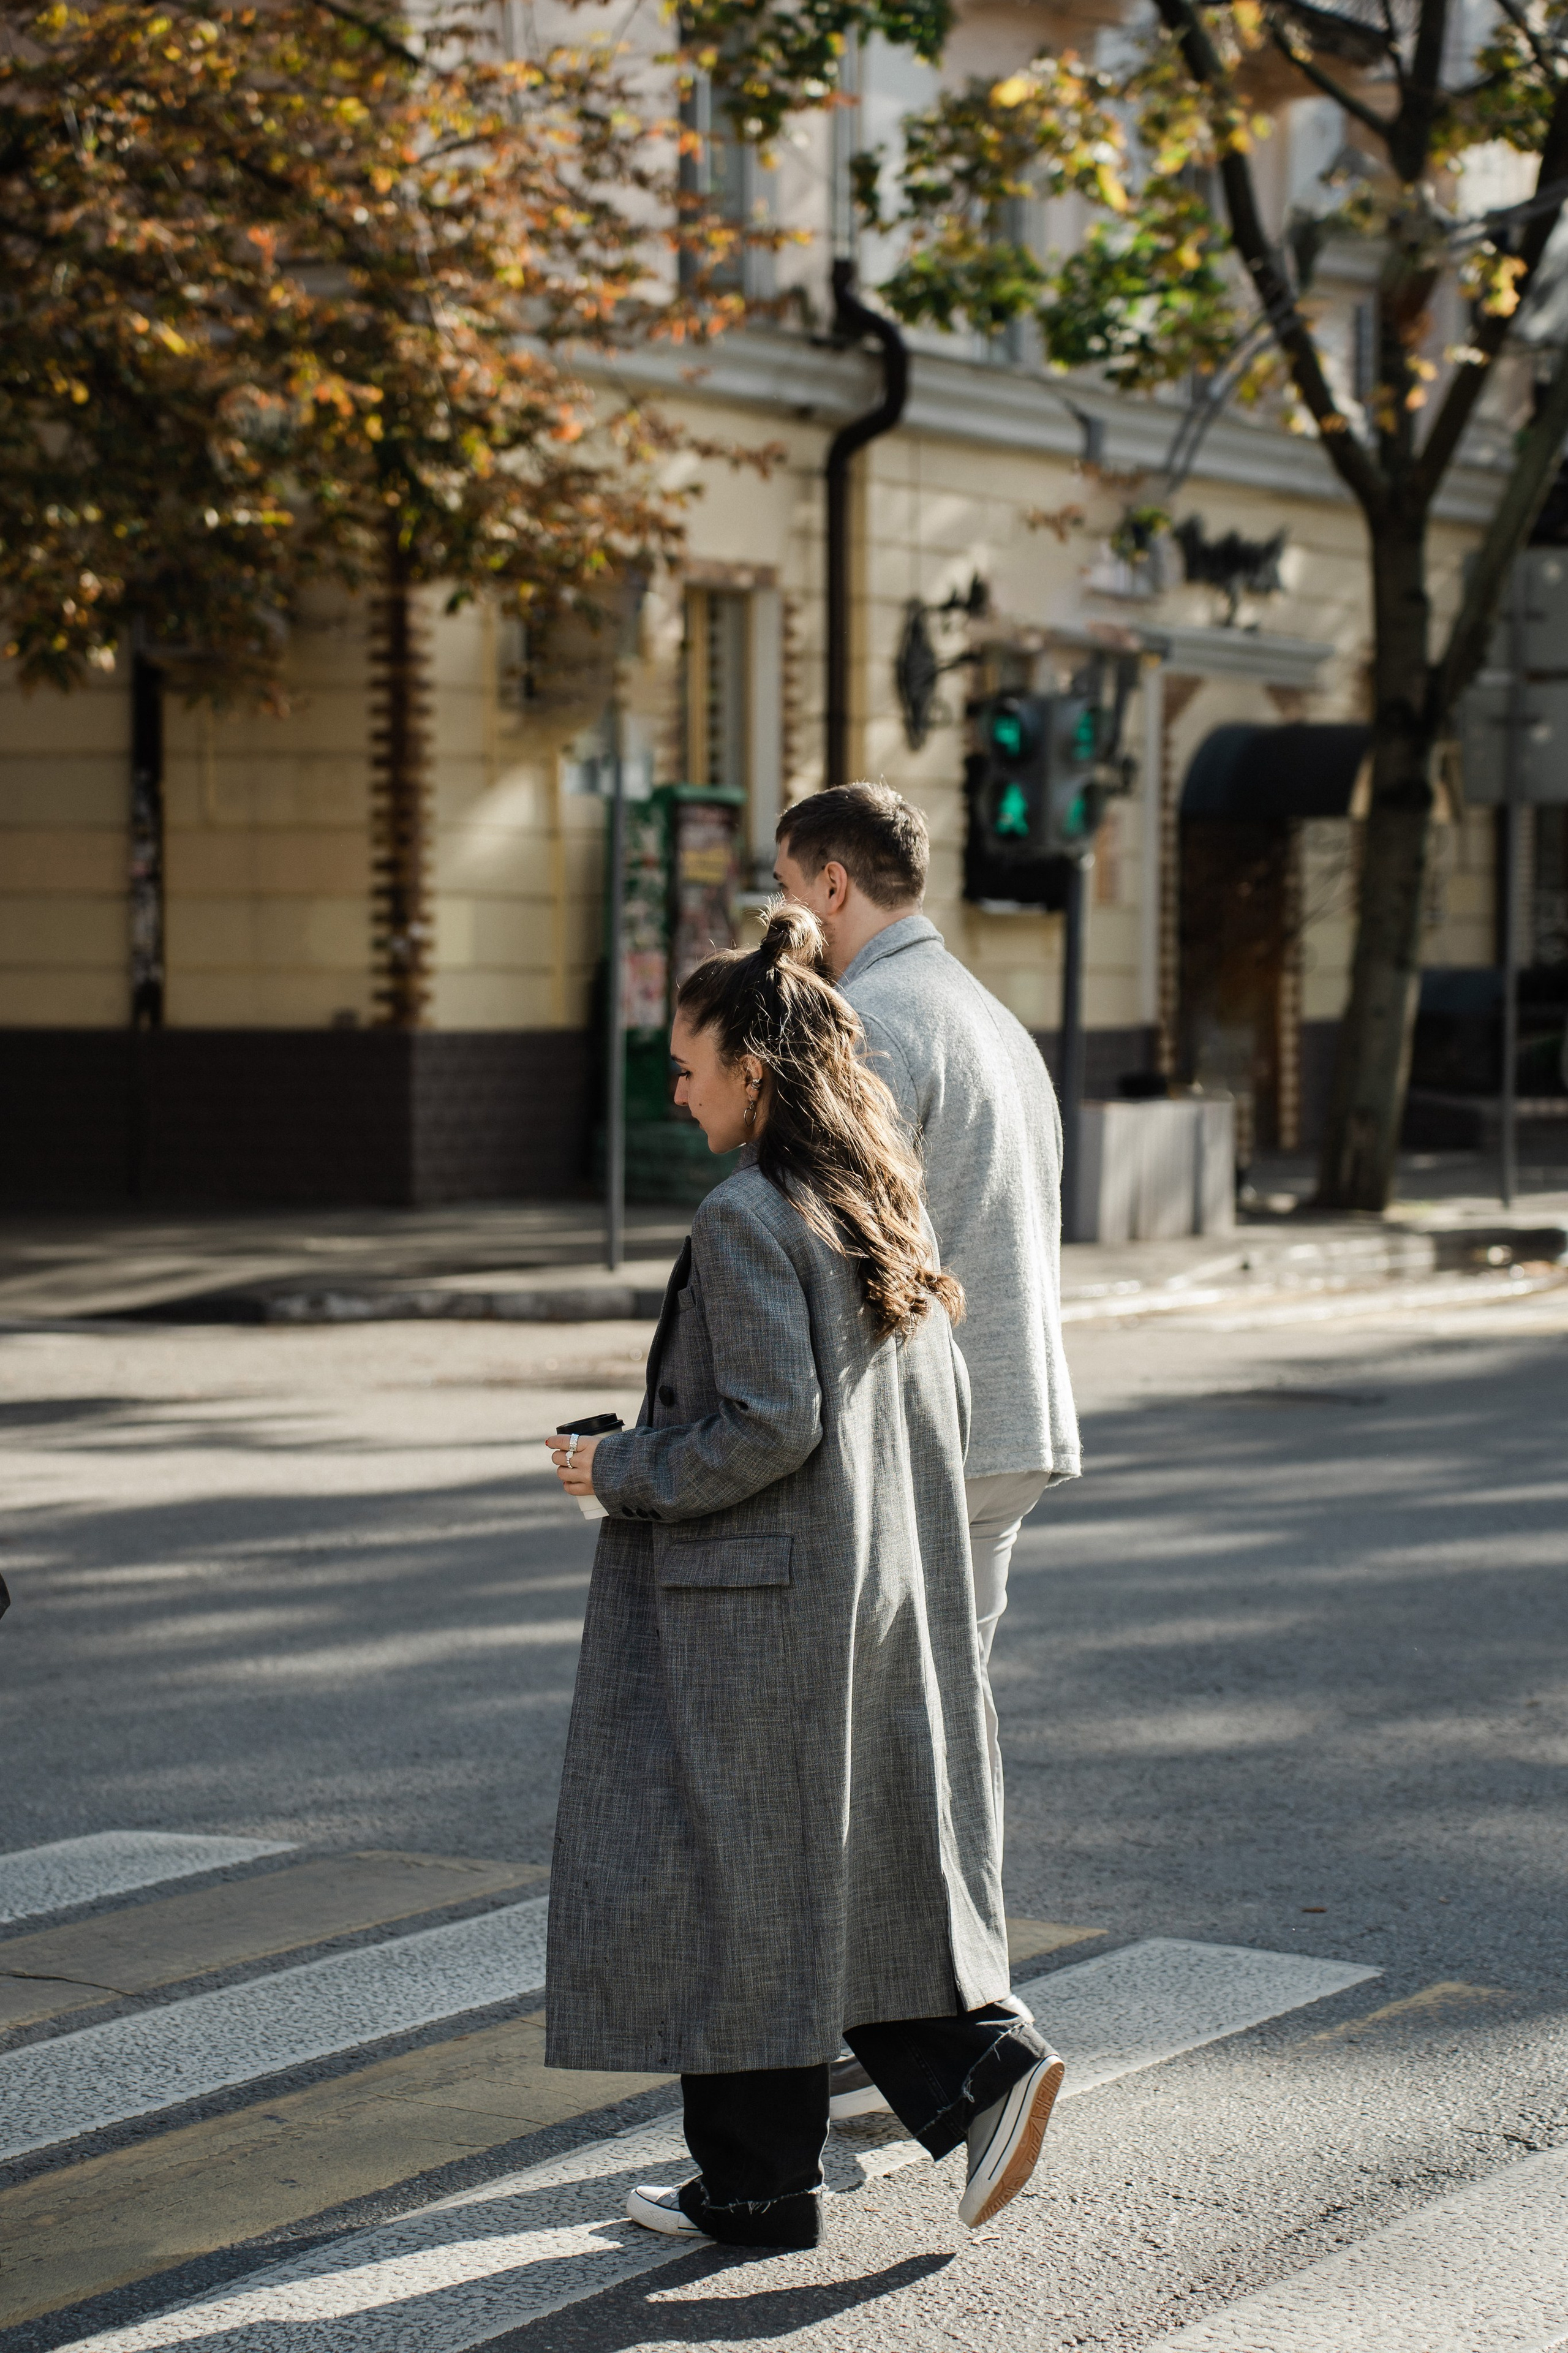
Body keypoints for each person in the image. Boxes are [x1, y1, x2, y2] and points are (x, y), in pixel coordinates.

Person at [546, 903, 1064, 2252]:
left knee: (729, 1877)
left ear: (754, 1076)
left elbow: (770, 1425)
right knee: (781, 1884)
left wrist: (622, 1470)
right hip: (857, 1586)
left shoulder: (743, 1215)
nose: (675, 1088)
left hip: (753, 1614)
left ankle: (972, 2077)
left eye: (689, 1066)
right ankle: (761, 2181)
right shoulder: (864, 1197)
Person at [773, 784, 1080, 2120]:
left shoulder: (878, 1021)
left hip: (925, 1436)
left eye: (789, 887)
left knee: (881, 1746)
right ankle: (932, 2013)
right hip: (1007, 1417)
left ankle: (966, 2039)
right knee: (943, 1728)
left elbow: (847, 1245)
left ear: (832, 884)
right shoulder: (984, 1010)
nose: (784, 914)